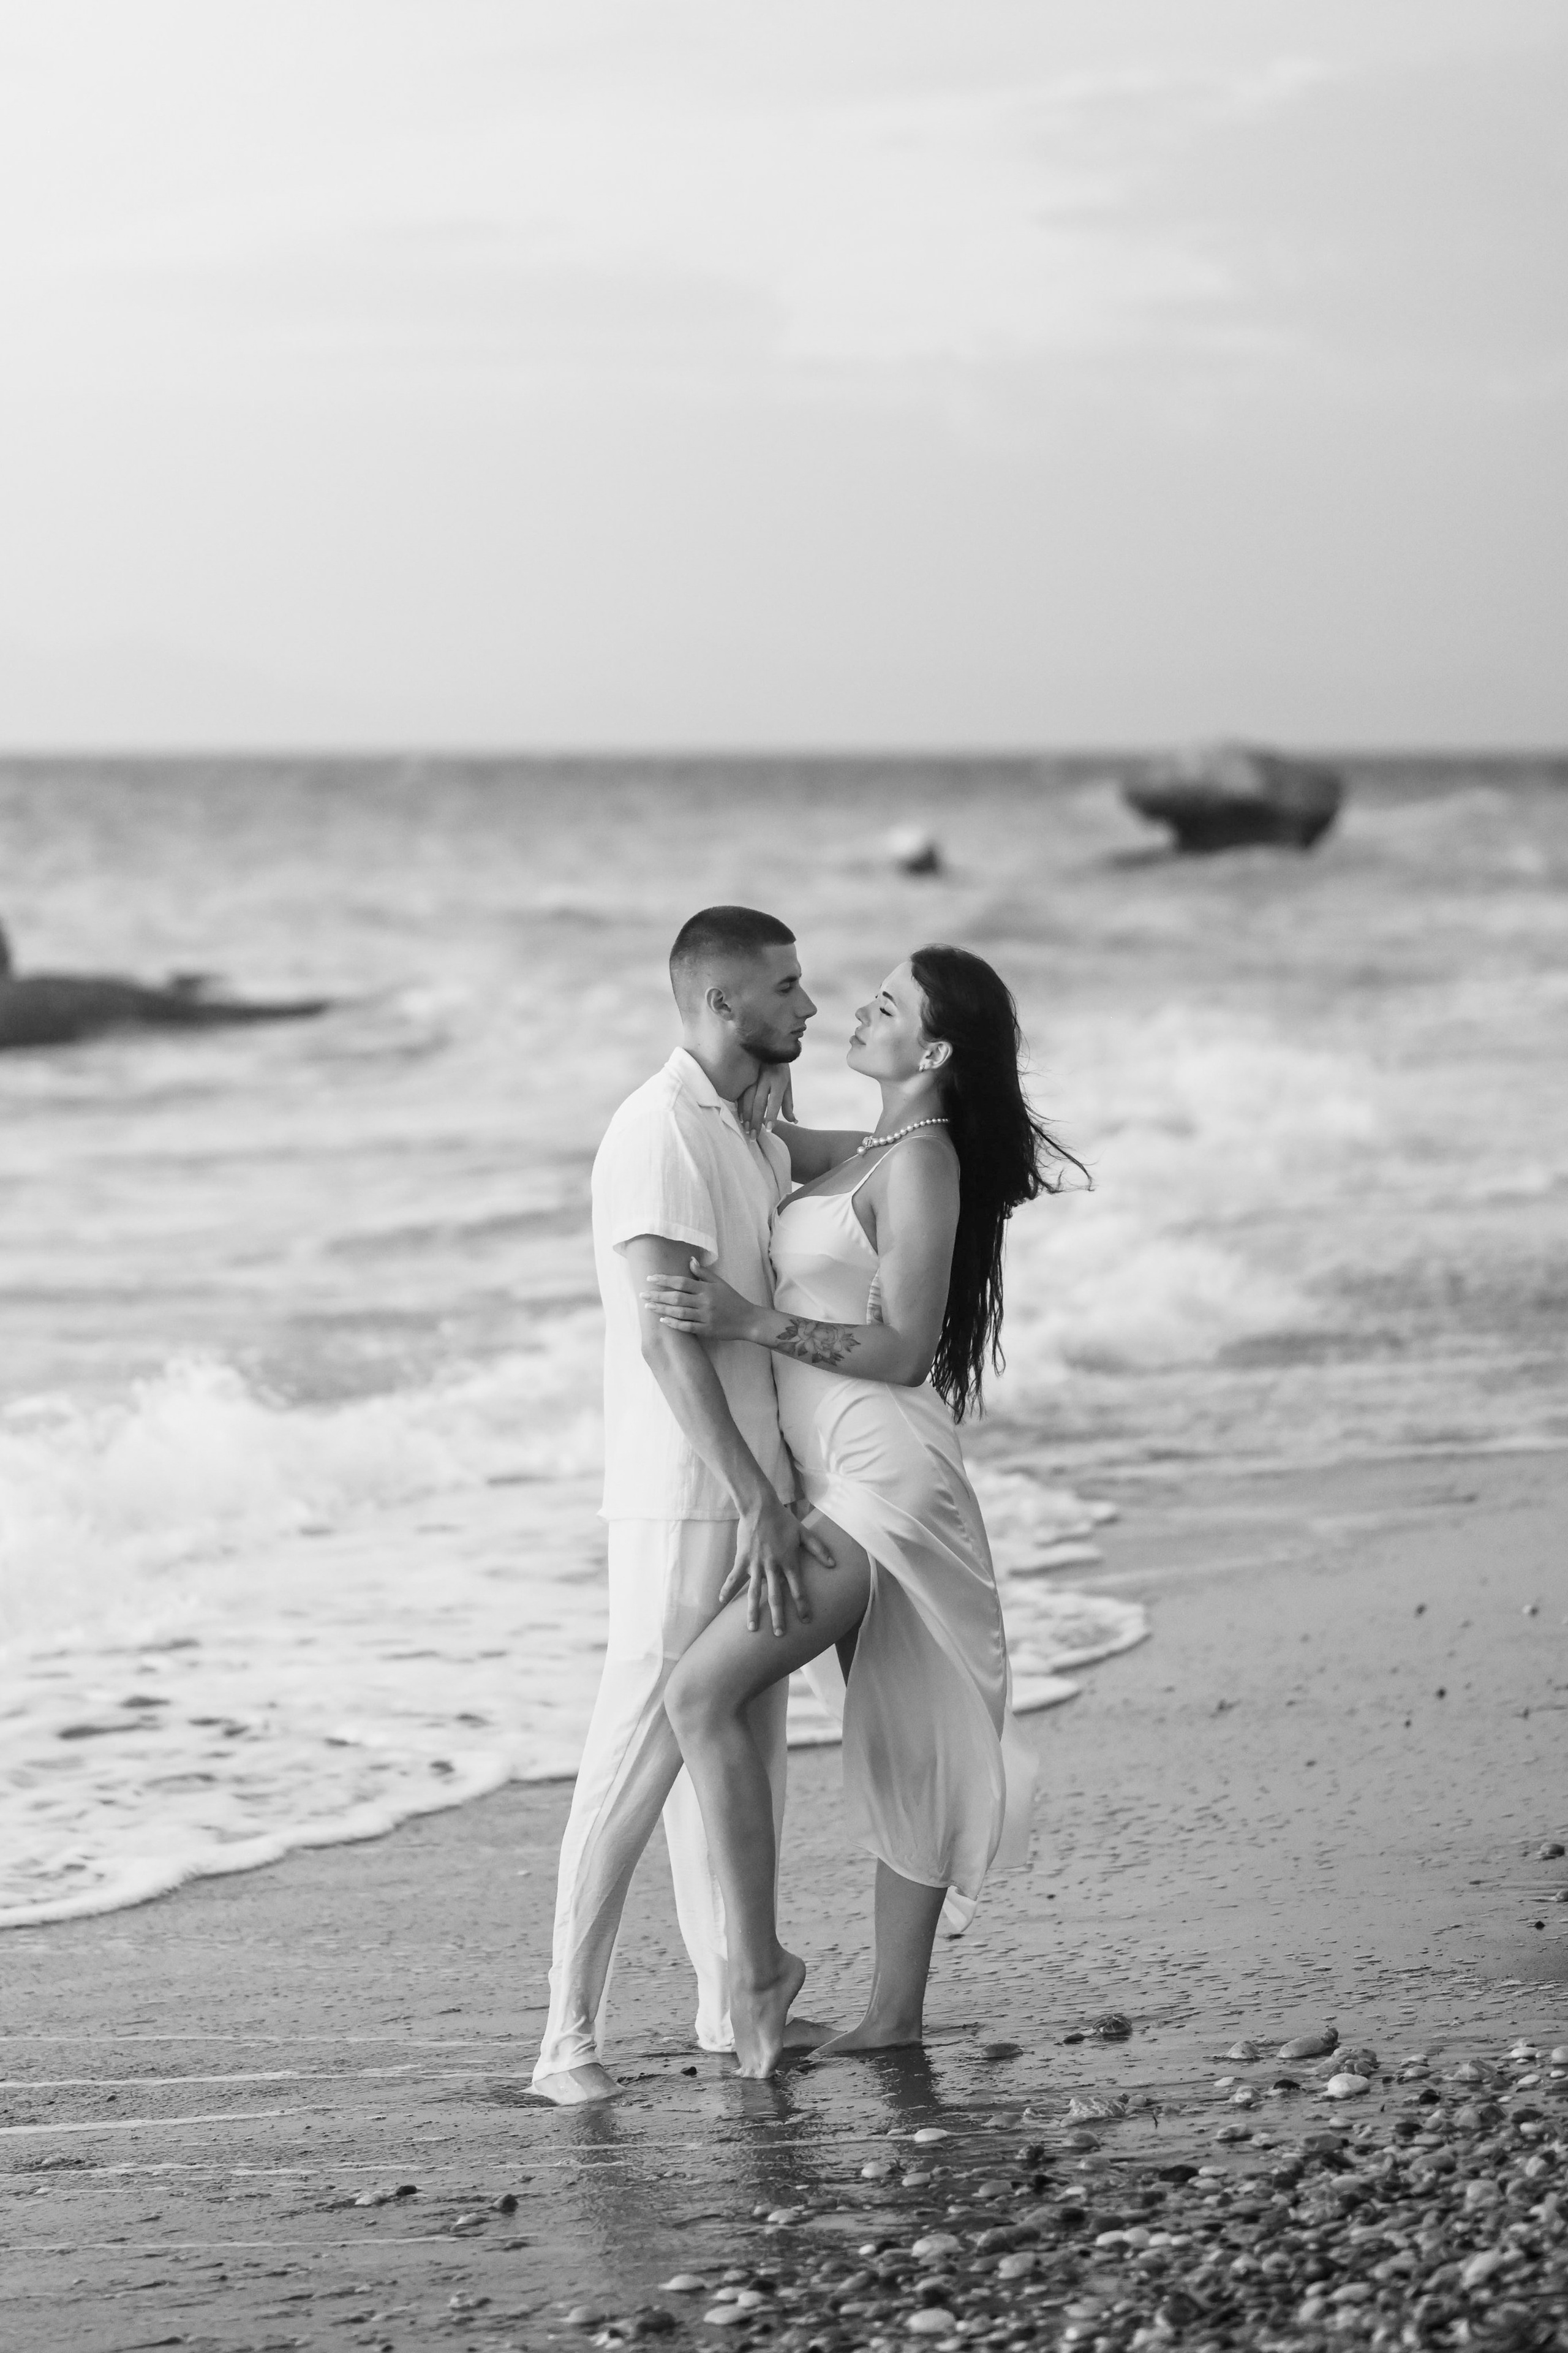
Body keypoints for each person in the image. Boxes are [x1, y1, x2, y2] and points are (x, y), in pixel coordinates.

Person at [644, 944, 1085, 2076]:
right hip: (837, 1475)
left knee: (702, 1689)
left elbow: (897, 1349)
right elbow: (753, 1140)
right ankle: (893, 2013)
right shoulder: (877, 1145)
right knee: (900, 1734)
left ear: (932, 1050)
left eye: (888, 1004)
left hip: (885, 1482)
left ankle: (767, 1968)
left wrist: (746, 1322)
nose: (858, 1007)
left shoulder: (923, 1161)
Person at [529, 905, 835, 2104]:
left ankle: (729, 1997)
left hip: (754, 1482)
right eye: (787, 988)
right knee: (638, 1752)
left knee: (745, 1750)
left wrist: (954, 1113)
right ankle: (564, 2040)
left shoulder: (748, 1124)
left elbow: (858, 1157)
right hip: (684, 1497)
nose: (807, 1006)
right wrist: (754, 1496)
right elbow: (668, 1349)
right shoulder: (656, 1129)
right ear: (720, 1004)